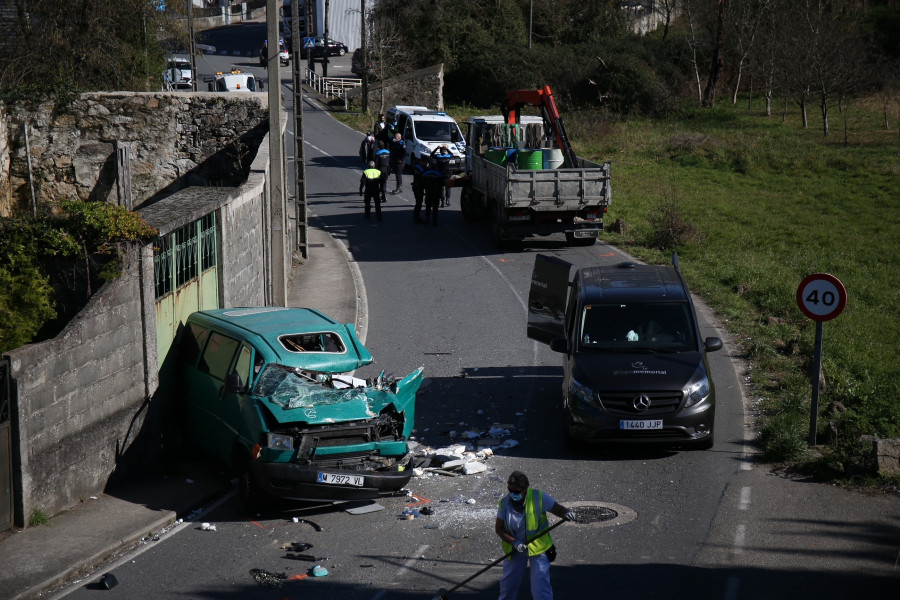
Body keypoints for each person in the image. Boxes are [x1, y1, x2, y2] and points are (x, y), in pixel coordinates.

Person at [495, 471, 574, 600]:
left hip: (538, 547)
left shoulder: (538, 497)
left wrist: (566, 513)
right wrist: (514, 542)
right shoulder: (504, 504)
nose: (512, 494)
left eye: (516, 492)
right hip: (515, 548)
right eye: (510, 490)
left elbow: (557, 508)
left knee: (540, 586)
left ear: (525, 490)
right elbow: (499, 529)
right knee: (508, 585)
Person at [421, 159, 444, 226]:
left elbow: (422, 182)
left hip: (429, 192)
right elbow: (442, 184)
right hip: (436, 192)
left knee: (428, 206)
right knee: (435, 207)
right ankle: (435, 221)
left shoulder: (426, 173)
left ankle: (427, 219)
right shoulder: (439, 174)